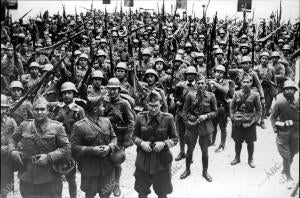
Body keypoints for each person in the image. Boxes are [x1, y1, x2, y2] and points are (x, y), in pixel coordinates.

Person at [8, 95, 71, 198]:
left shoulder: (57, 127)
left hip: (50, 178)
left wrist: (49, 157)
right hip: (28, 177)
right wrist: (12, 151)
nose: (39, 112)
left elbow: (66, 148)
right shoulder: (24, 125)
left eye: (42, 109)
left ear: (48, 111)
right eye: (36, 109)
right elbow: (12, 139)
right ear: (32, 111)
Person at [132, 90, 178, 198]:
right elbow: (134, 136)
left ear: (161, 104)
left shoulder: (168, 118)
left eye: (156, 106)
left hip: (161, 161)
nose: (153, 109)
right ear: (147, 104)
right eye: (151, 106)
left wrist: (164, 144)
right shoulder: (140, 117)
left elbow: (175, 138)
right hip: (143, 160)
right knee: (142, 192)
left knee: (162, 193)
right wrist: (141, 143)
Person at [71, 97, 118, 198]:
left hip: (107, 166)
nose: (104, 108)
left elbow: (114, 138)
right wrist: (92, 150)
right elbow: (74, 148)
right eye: (101, 106)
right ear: (95, 109)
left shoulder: (106, 122)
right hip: (90, 168)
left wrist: (109, 147)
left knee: (106, 194)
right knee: (90, 194)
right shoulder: (79, 126)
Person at [49, 81, 85, 198]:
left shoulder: (78, 110)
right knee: (57, 176)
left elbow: (83, 129)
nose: (66, 96)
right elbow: (51, 124)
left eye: (69, 93)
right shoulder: (57, 109)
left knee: (71, 177)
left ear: (74, 94)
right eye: (64, 93)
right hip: (58, 146)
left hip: (71, 146)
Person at [180, 74, 217, 182]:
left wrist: (206, 116)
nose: (200, 85)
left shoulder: (211, 96)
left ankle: (205, 171)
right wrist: (187, 123)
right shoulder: (190, 95)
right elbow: (184, 111)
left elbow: (215, 112)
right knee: (189, 150)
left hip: (204, 126)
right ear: (195, 85)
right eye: (198, 83)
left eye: (202, 83)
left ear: (206, 84)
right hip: (192, 126)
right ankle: (187, 170)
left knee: (205, 151)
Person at [103, 78, 135, 197]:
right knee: (106, 160)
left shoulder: (124, 104)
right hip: (107, 136)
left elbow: (131, 122)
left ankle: (116, 184)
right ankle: (108, 183)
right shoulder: (104, 102)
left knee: (117, 161)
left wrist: (127, 139)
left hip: (120, 136)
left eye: (114, 89)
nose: (112, 92)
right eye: (110, 89)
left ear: (118, 90)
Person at [270, 80, 299, 189]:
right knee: (286, 155)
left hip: (296, 132)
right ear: (284, 90)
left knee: (292, 154)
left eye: (291, 89)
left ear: (295, 90)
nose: (289, 91)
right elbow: (272, 117)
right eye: (287, 89)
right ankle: (288, 176)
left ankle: (283, 171)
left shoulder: (297, 101)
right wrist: (276, 128)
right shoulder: (279, 102)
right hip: (284, 132)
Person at [230, 75, 262, 168]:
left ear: (251, 83)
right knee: (237, 141)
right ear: (241, 83)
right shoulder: (236, 93)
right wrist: (232, 117)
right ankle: (237, 157)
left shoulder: (255, 95)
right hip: (238, 120)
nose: (246, 84)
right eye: (244, 82)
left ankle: (250, 159)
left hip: (250, 121)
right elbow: (232, 107)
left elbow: (259, 110)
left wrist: (255, 120)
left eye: (248, 82)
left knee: (250, 142)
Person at [208, 65, 229, 152]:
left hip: (221, 107)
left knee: (222, 127)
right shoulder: (211, 81)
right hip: (212, 107)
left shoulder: (225, 82)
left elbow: (225, 91)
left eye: (221, 73)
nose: (219, 74)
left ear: (223, 74)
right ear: (214, 73)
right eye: (217, 72)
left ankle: (222, 145)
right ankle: (212, 141)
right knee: (213, 125)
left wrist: (215, 84)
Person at [1, 94, 18, 198]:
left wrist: (9, 147)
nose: (1, 111)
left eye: (3, 108)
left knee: (7, 187)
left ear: (7, 109)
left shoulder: (11, 121)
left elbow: (17, 138)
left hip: (7, 159)